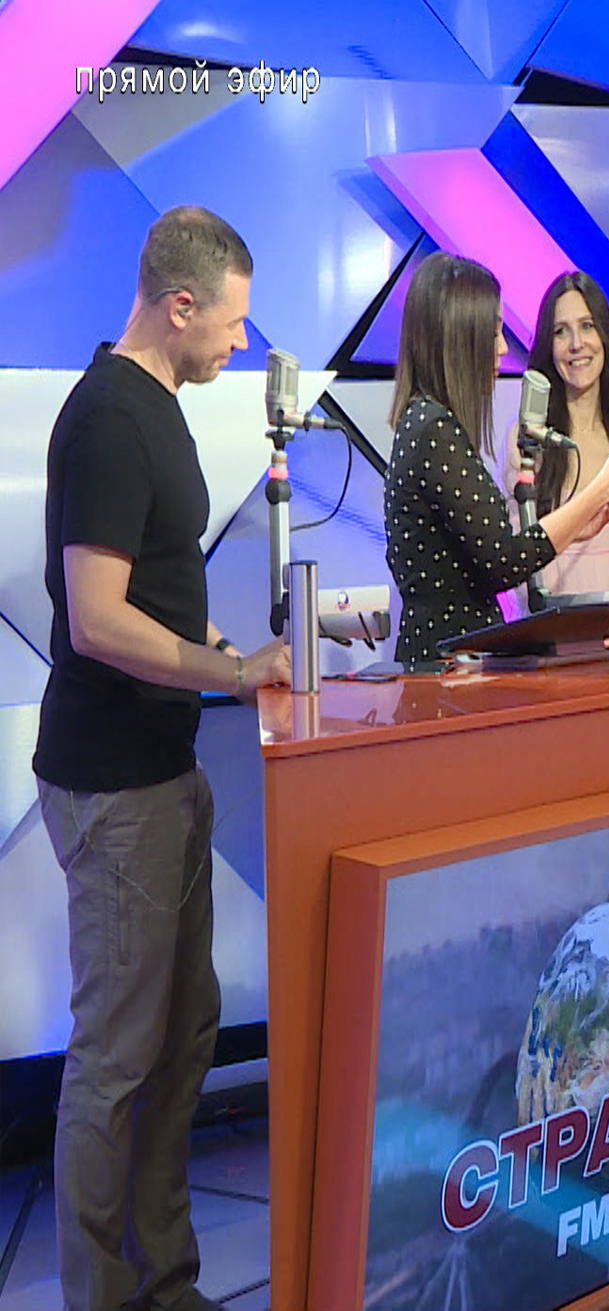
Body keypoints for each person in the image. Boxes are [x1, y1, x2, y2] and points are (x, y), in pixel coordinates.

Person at [33, 205, 291, 1311]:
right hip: (113, 786)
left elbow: (159, 592)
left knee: (182, 1039)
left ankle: (163, 1283)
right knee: (115, 1061)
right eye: (231, 323)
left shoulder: (161, 409)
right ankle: (104, 1295)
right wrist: (229, 672)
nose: (240, 342)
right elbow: (98, 620)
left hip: (166, 773)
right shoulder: (107, 416)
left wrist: (236, 657)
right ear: (180, 306)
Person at [384, 253, 609, 663]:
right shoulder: (435, 431)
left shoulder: (425, 424)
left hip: (451, 662)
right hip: (448, 669)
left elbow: (499, 553)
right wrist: (602, 490)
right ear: (460, 340)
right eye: (492, 333)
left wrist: (576, 526)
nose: (504, 348)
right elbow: (505, 560)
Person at [505, 272, 609, 601]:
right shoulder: (527, 440)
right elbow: (517, 563)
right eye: (560, 331)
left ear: (605, 335)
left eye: (587, 326)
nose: (576, 344)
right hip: (552, 627)